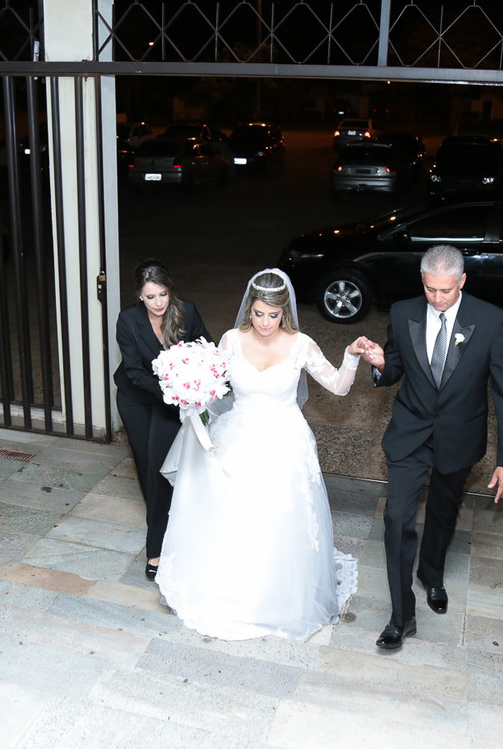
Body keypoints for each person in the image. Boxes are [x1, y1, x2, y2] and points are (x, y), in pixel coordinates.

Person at [155, 268, 366, 641]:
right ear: (248, 309)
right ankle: (231, 588)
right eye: (258, 314)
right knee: (235, 517)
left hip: (285, 442)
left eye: (273, 315)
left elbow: (338, 386)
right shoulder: (231, 340)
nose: (265, 323)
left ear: (285, 311)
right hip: (238, 436)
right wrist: (190, 389)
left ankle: (276, 596)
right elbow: (212, 384)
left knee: (278, 518)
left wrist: (350, 356)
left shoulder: (301, 344)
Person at [361, 245, 503, 650]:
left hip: (459, 436)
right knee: (396, 517)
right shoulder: (403, 313)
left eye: (446, 290)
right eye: (430, 289)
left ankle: (431, 573)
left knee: (442, 511)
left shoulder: (490, 320)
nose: (437, 298)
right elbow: (396, 366)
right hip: (410, 432)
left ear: (462, 281)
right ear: (423, 281)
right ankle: (401, 617)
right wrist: (382, 364)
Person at [114, 259, 211, 580]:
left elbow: (207, 350)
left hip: (171, 403)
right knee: (146, 468)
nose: (158, 303)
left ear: (171, 290)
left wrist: (198, 384)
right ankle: (163, 525)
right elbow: (134, 372)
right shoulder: (128, 320)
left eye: (163, 294)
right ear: (139, 296)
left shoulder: (187, 311)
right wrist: (174, 390)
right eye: (150, 297)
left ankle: (155, 548)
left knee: (160, 469)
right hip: (137, 399)